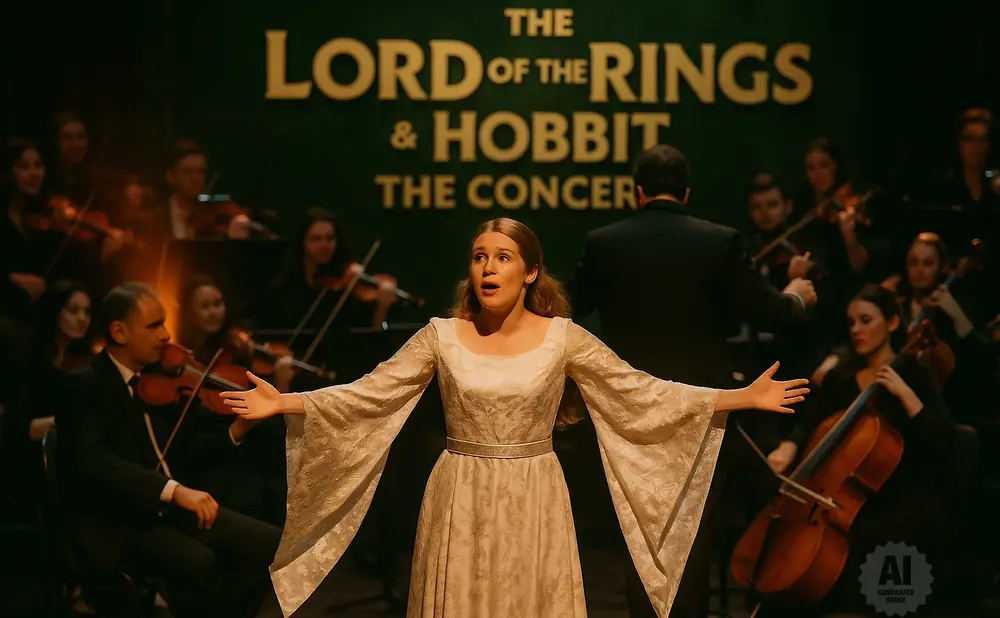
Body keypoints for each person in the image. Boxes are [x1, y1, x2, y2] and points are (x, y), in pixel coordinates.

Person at [219, 217, 810, 617]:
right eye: (479, 256)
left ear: (529, 272)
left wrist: (738, 398)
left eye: (503, 257)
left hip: (535, 495)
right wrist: (283, 403)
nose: (488, 267)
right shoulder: (441, 337)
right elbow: (368, 396)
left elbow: (641, 393)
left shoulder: (563, 339)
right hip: (459, 493)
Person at [567, 146, 816, 618]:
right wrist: (798, 295)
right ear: (685, 192)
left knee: (637, 528)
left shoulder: (604, 242)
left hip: (628, 408)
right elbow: (772, 311)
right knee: (693, 528)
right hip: (703, 406)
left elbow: (567, 307)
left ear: (637, 191)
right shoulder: (720, 241)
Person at [55, 282, 280, 618]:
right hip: (114, 520)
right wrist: (172, 491)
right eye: (153, 325)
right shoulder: (83, 384)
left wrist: (236, 430)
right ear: (119, 332)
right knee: (198, 562)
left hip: (158, 511)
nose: (165, 335)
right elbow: (95, 463)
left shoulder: (156, 381)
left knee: (268, 542)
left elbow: (184, 453)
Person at [768, 284, 963, 616]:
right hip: (845, 496)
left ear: (891, 323)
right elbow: (811, 420)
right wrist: (788, 445)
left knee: (866, 536)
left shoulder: (914, 373)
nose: (856, 329)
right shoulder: (841, 378)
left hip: (900, 494)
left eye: (866, 320)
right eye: (852, 322)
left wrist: (906, 394)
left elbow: (943, 439)